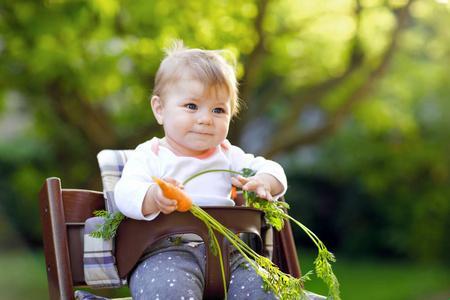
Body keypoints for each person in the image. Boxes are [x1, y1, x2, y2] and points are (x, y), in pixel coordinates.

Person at [115, 41, 322, 300]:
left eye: (218, 110)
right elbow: (125, 192)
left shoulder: (228, 155)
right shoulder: (150, 155)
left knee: (266, 292)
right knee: (166, 292)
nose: (205, 118)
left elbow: (273, 168)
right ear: (159, 109)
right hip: (166, 253)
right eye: (191, 106)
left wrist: (264, 181)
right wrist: (153, 196)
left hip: (230, 256)